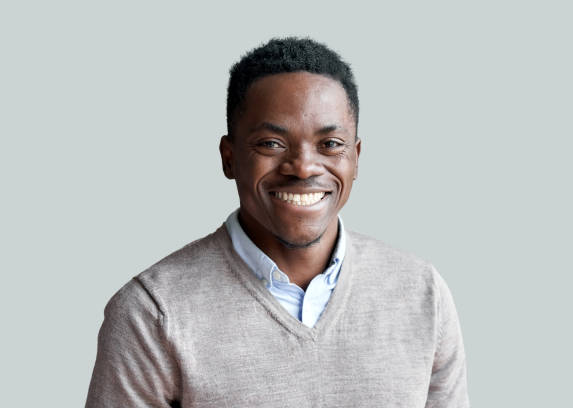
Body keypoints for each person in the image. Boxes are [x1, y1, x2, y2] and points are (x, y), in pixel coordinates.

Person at [85, 37, 470, 408]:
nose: (303, 166)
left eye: (330, 144)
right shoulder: (153, 312)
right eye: (271, 143)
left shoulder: (422, 293)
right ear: (229, 157)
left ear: (356, 158)